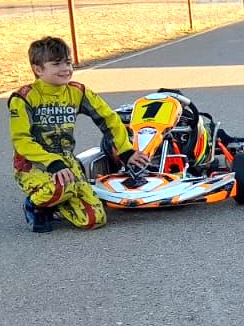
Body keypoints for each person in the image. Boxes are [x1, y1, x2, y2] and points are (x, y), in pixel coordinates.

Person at [8, 36, 147, 233]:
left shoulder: (78, 92)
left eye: (68, 62)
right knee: (62, 187)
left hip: (66, 161)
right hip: (34, 164)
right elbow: (21, 140)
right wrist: (52, 162)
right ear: (38, 69)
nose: (66, 69)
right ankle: (36, 206)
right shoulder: (23, 98)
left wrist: (125, 151)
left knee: (94, 219)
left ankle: (57, 203)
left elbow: (109, 119)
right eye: (56, 64)